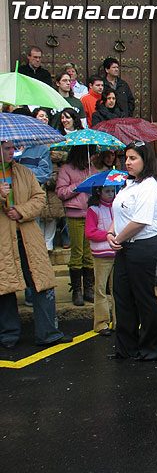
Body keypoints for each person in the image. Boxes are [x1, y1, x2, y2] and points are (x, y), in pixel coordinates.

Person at [0, 140, 72, 348]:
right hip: (4, 239)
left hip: (28, 236)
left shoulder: (23, 172)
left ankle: (48, 332)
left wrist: (21, 210)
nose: (11, 152)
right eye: (5, 148)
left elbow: (40, 199)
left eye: (12, 147)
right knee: (6, 287)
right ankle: (8, 335)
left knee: (42, 282)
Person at [106, 142, 157, 360]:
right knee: (122, 296)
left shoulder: (150, 185)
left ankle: (154, 347)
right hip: (124, 245)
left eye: (133, 158)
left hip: (142, 246)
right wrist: (111, 233)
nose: (128, 162)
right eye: (126, 158)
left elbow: (140, 220)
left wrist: (117, 239)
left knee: (143, 297)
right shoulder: (129, 184)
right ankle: (126, 347)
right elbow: (119, 213)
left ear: (145, 160)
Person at [55, 144, 94, 306]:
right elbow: (61, 192)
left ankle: (88, 289)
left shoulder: (91, 169)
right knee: (77, 252)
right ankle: (76, 290)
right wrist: (80, 186)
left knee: (89, 253)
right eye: (89, 155)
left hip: (91, 214)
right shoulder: (66, 169)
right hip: (75, 215)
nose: (91, 158)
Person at [85, 186, 116, 336]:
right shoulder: (94, 209)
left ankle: (118, 321)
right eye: (107, 191)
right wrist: (109, 234)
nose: (111, 194)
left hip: (117, 252)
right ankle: (101, 323)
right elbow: (89, 232)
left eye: (113, 191)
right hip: (101, 254)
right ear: (99, 192)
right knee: (100, 289)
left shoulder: (117, 206)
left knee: (117, 289)